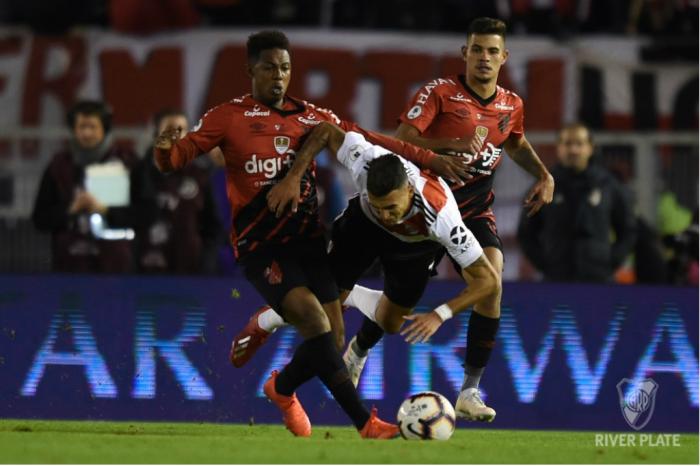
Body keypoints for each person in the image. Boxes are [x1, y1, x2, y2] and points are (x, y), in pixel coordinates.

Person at [153, 30, 466, 439]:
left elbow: (372, 140)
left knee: (332, 339)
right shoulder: (228, 116)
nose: (278, 76)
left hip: (307, 241)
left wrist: (431, 160)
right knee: (317, 325)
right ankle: (366, 424)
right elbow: (176, 159)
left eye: (284, 67)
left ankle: (281, 389)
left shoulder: (311, 116)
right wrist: (164, 150)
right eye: (269, 68)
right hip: (261, 246)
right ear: (251, 70)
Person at [341, 16, 554, 418]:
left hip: (472, 209)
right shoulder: (439, 93)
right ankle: (359, 348)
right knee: (393, 315)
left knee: (492, 279)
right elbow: (401, 142)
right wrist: (445, 147)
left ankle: (469, 391)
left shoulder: (511, 104)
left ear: (504, 57)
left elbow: (517, 142)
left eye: (493, 51)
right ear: (465, 53)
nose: (484, 58)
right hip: (426, 209)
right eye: (477, 50)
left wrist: (543, 174)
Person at [236, 122, 500, 420]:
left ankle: (356, 340)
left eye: (391, 207)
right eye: (380, 206)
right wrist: (294, 176)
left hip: (415, 246)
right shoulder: (365, 159)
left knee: (390, 322)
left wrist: (440, 314)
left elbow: (488, 280)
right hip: (362, 228)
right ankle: (267, 320)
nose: (386, 215)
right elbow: (324, 130)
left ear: (409, 190)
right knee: (320, 313)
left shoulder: (441, 216)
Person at [517, 122, 636, 282]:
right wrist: (546, 264)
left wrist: (609, 262)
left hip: (599, 280)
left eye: (579, 144)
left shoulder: (608, 185)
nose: (573, 150)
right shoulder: (543, 186)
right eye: (567, 144)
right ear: (558, 148)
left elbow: (628, 230)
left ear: (590, 147)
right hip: (556, 279)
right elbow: (526, 233)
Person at [32, 100, 138, 273]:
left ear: (105, 129)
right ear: (73, 129)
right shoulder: (58, 166)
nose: (87, 133)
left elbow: (146, 213)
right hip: (69, 267)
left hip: (116, 269)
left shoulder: (128, 163)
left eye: (92, 127)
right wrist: (70, 209)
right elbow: (40, 219)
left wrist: (105, 210)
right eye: (81, 127)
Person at [132, 109, 223, 274]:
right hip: (143, 274)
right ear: (155, 132)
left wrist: (206, 263)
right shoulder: (136, 173)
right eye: (170, 128)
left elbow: (212, 227)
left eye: (181, 129)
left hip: (190, 274)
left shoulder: (200, 176)